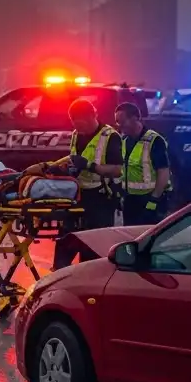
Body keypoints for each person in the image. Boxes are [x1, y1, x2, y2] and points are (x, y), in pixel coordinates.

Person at [52, 99, 124, 269]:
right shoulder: (76, 134)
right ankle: (59, 273)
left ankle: (89, 277)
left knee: (93, 245)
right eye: (75, 124)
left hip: (100, 197)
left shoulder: (110, 137)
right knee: (66, 238)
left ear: (93, 116)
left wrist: (90, 166)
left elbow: (117, 170)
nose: (80, 129)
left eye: (83, 124)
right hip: (77, 195)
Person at [113, 101, 172, 225]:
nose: (120, 126)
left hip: (149, 199)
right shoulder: (124, 140)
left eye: (122, 122)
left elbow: (163, 172)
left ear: (135, 118)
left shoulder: (154, 140)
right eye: (117, 122)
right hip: (130, 200)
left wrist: (154, 200)